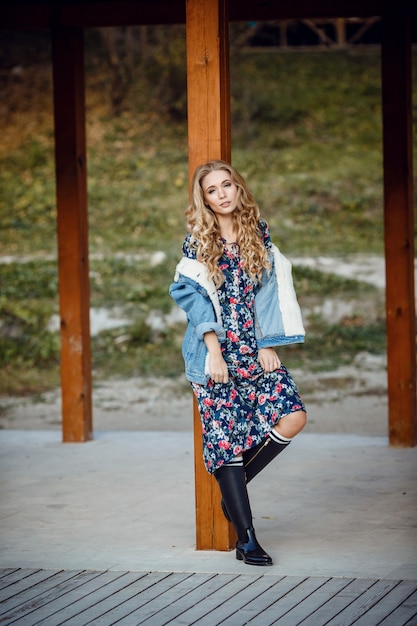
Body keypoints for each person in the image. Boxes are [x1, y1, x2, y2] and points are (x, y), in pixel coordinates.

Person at [169, 160, 306, 566]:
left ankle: (235, 489)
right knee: (227, 443)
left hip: (253, 350)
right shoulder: (197, 242)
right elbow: (192, 299)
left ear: (237, 187)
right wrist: (213, 350)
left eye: (227, 185)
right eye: (213, 190)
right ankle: (247, 540)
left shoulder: (256, 233)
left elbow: (266, 291)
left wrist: (267, 342)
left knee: (292, 416)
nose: (223, 194)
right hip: (215, 354)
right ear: (205, 199)